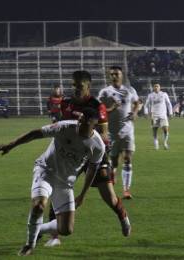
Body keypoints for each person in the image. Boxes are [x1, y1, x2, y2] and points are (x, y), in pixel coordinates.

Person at [0, 107, 105, 256]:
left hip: (65, 183)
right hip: (45, 171)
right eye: (79, 120)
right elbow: (35, 133)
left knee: (66, 229)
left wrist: (83, 195)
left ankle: (39, 229)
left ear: (93, 124)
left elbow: (92, 170)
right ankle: (29, 244)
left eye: (83, 123)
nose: (79, 124)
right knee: (38, 206)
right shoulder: (64, 127)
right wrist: (11, 145)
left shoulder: (97, 146)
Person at [44, 71, 132, 247]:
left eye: (80, 86)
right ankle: (55, 236)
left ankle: (122, 216)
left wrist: (85, 135)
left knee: (109, 197)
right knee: (58, 191)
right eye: (74, 85)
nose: (76, 89)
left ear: (88, 86)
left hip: (93, 154)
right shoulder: (65, 104)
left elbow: (104, 134)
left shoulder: (96, 106)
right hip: (71, 157)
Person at [99, 66, 140, 200]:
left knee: (127, 158)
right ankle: (113, 173)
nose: (114, 76)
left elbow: (138, 103)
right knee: (114, 162)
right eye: (112, 74)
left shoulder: (130, 90)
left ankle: (126, 190)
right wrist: (111, 108)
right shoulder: (105, 92)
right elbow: (99, 111)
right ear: (109, 76)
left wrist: (134, 112)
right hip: (112, 132)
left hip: (127, 130)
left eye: (117, 74)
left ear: (122, 75)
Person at [144, 83, 173, 150]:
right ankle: (156, 144)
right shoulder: (150, 95)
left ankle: (165, 143)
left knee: (166, 130)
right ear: (153, 88)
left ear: (160, 88)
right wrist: (146, 113)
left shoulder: (164, 94)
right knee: (155, 131)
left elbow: (168, 104)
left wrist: (170, 113)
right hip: (154, 115)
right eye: (155, 86)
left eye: (157, 86)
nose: (156, 87)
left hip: (163, 115)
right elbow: (146, 105)